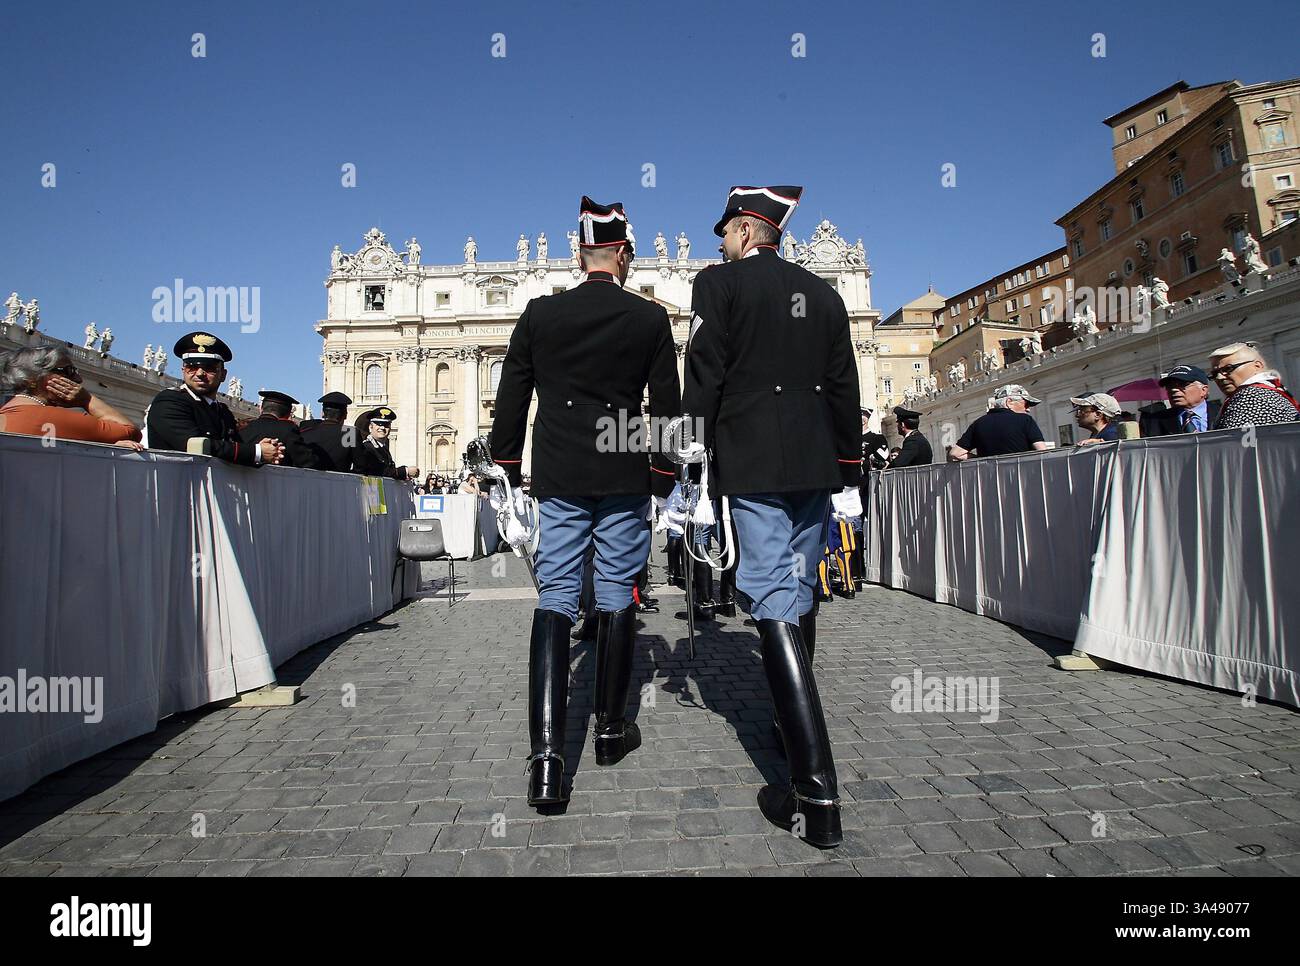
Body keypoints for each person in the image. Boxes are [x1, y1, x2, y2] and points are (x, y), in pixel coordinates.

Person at [684, 184, 861, 848]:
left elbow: (704, 370)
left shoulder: (720, 286)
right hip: (816, 463)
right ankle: (792, 727)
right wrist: (849, 466)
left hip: (753, 459)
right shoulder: (824, 295)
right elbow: (845, 385)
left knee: (769, 597)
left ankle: (815, 791)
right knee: (800, 587)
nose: (720, 241)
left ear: (748, 229)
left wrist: (690, 452)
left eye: (725, 230)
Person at [489, 195, 680, 809]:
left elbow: (512, 394)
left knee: (556, 597)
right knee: (619, 592)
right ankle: (610, 731)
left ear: (579, 253)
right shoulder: (650, 319)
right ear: (624, 254)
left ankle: (546, 760)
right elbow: (668, 408)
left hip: (560, 470)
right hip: (624, 471)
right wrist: (661, 471)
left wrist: (511, 466)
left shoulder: (541, 315)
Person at [146, 332, 282, 466]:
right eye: (192, 367)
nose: (199, 373)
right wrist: (257, 451)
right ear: (183, 370)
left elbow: (233, 450)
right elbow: (196, 445)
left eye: (209, 368)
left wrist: (266, 451)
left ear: (223, 375)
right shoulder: (169, 402)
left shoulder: (223, 412)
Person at [0, 347, 143, 448]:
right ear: (32, 378)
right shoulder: (50, 418)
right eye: (68, 371)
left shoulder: (7, 414)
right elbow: (130, 432)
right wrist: (86, 399)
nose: (78, 379)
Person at [1208, 343, 1300, 429]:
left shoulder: (1251, 396)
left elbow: (1240, 442)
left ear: (1257, 366)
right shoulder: (1268, 390)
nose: (1219, 377)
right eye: (1215, 374)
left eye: (1228, 368)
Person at [948, 384, 1049, 460]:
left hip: (991, 481)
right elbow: (1042, 452)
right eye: (1026, 404)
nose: (1028, 409)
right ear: (1009, 402)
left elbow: (955, 453)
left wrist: (981, 459)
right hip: (1023, 478)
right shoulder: (1025, 420)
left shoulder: (978, 423)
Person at [239, 390, 324, 468]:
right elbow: (307, 461)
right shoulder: (288, 430)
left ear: (261, 408)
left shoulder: (244, 427)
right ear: (287, 415)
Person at [1138, 365, 1221, 437]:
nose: (1173, 390)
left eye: (1182, 385)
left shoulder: (1224, 413)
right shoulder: (1152, 422)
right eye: (1169, 386)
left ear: (1203, 390)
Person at [352, 407, 419, 480]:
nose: (383, 428)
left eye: (386, 425)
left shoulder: (383, 448)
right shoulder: (366, 448)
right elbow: (377, 472)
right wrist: (405, 471)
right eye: (379, 424)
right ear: (370, 427)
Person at [301, 392, 357, 472]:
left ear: (322, 413)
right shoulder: (348, 433)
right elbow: (360, 466)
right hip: (341, 482)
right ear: (345, 415)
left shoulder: (307, 430)